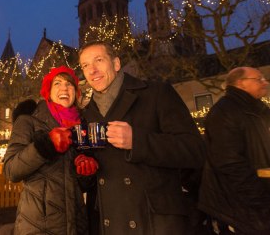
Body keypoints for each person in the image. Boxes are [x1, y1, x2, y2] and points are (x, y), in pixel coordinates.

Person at [78, 41, 205, 234]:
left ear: (117, 63)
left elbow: (194, 150)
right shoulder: (85, 115)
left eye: (99, 60)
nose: (92, 70)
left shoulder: (156, 93)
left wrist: (137, 141)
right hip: (109, 223)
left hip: (154, 222)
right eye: (85, 65)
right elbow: (90, 181)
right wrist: (83, 170)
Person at [198, 67, 270, 235]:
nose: (265, 82)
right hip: (245, 210)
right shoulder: (225, 112)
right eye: (258, 79)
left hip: (264, 206)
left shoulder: (258, 112)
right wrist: (264, 200)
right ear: (241, 83)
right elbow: (229, 163)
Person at [4, 66, 97, 235]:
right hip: (38, 226)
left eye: (69, 84)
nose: (64, 88)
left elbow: (81, 186)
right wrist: (44, 146)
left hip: (77, 225)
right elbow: (11, 170)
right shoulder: (28, 122)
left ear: (76, 93)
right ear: (48, 91)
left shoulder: (83, 127)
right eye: (57, 83)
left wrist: (86, 173)